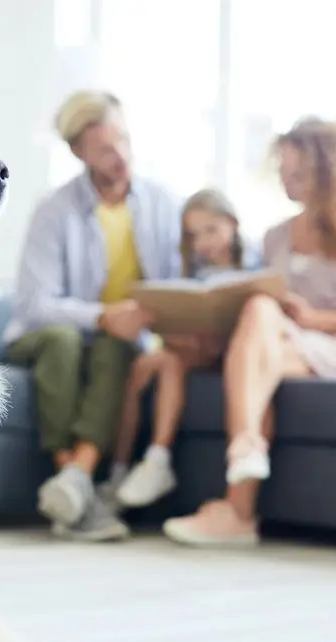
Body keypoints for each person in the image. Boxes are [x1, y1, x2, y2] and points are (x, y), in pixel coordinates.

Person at [162, 117, 336, 547]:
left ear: (329, 173)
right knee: (258, 315)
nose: (287, 182)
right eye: (283, 173)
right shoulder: (276, 236)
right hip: (287, 343)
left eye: (298, 174)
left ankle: (238, 502)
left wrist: (314, 319)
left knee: (257, 346)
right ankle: (243, 473)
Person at [1, 90, 182, 541]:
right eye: (104, 148)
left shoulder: (162, 203)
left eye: (122, 139)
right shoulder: (55, 210)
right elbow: (35, 305)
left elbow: (180, 282)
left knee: (116, 346)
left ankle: (73, 486)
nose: (119, 155)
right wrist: (103, 315)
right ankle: (76, 482)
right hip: (43, 336)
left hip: (119, 340)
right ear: (79, 152)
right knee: (65, 341)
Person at [107, 187, 261, 509]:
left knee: (169, 360)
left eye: (212, 230)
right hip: (197, 350)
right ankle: (126, 468)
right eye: (193, 235)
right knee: (146, 364)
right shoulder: (191, 272)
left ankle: (154, 460)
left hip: (240, 353)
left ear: (233, 223)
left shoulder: (257, 263)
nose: (204, 242)